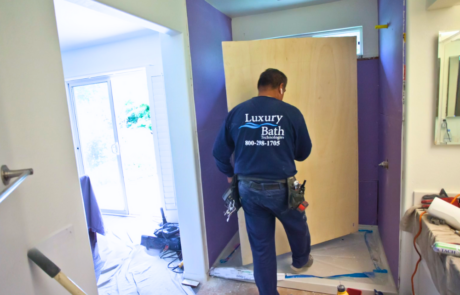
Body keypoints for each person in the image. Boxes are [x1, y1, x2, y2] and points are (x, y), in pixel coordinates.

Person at [213, 69, 313, 295]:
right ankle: (301, 261)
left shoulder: (237, 113)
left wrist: (230, 175)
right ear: (280, 88)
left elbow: (219, 152)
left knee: (261, 247)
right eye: (284, 90)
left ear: (260, 86)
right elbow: (303, 152)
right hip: (284, 188)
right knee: (298, 224)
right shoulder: (291, 113)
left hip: (247, 189)